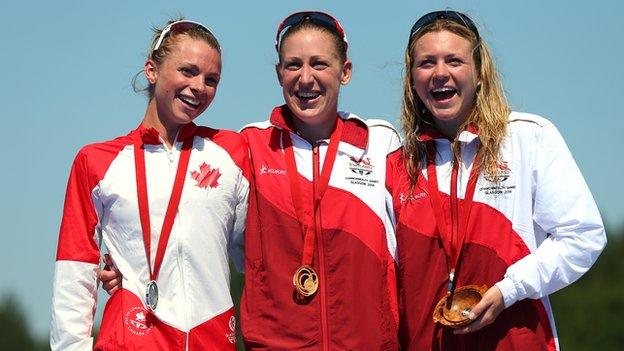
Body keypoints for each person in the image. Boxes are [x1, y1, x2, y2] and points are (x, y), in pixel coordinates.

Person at [386, 10, 607, 350]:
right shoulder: (399, 165)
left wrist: (510, 289)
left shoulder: (527, 138)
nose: (440, 73)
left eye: (454, 60)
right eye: (427, 62)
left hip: (518, 340)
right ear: (412, 79)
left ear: (478, 72)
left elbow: (583, 236)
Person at [50, 19, 249, 350]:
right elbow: (75, 271)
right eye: (187, 71)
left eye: (211, 79)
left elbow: (253, 253)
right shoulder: (97, 161)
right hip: (131, 339)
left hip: (211, 340)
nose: (199, 86)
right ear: (152, 71)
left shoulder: (233, 152)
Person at [239, 11, 401, 350]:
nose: (306, 78)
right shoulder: (250, 145)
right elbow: (199, 227)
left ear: (345, 72)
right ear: (278, 73)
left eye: (320, 64)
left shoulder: (381, 143)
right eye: (293, 65)